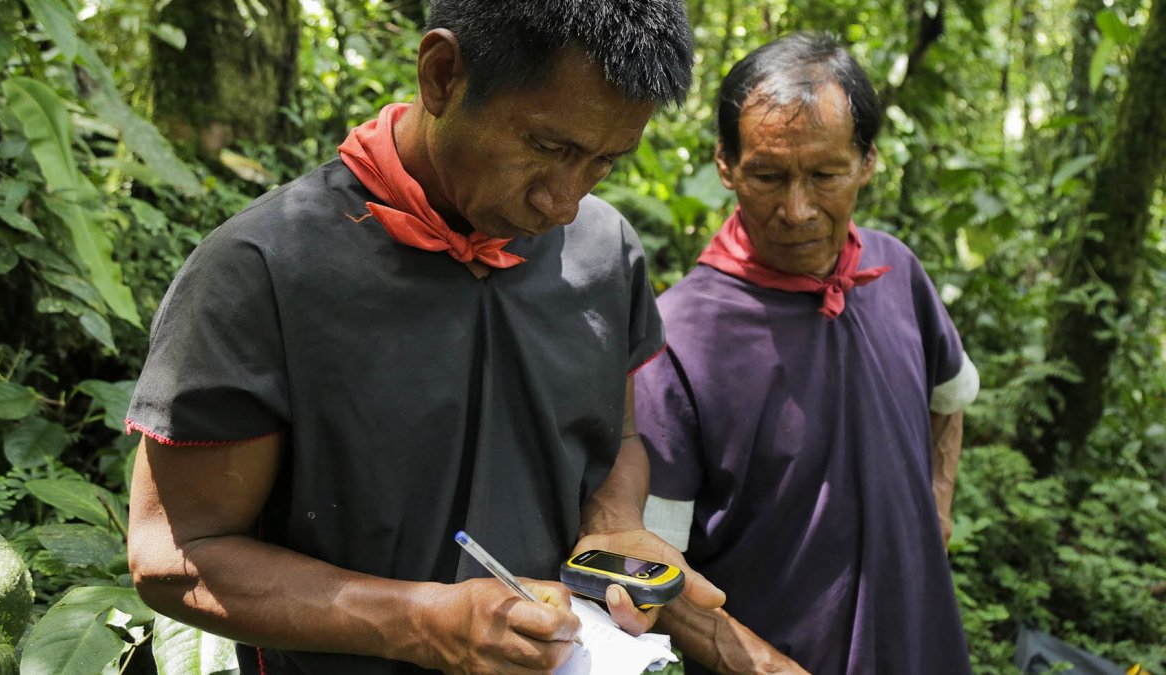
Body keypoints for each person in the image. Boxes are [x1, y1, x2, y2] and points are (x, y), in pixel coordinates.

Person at [124, 2, 724, 673]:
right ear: (442, 75)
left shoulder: (604, 249)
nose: (564, 202)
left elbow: (617, 438)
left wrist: (612, 520)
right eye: (549, 148)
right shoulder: (264, 271)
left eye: (604, 162)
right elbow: (177, 553)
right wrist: (418, 622)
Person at [635, 32, 980, 674]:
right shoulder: (677, 337)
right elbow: (653, 568)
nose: (797, 210)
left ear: (868, 161)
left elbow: (950, 399)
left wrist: (937, 505)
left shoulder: (895, 270)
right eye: (768, 176)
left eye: (825, 175)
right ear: (725, 165)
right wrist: (764, 667)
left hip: (920, 638)